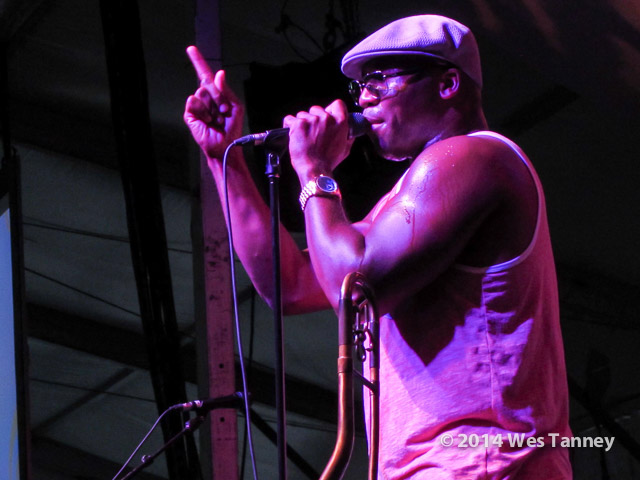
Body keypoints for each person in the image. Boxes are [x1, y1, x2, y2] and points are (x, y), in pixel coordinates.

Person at [184, 14, 572, 480]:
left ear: (448, 84)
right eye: (360, 87)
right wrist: (223, 159)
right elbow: (290, 284)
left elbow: (353, 284)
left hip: (481, 464)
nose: (364, 98)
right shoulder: (412, 191)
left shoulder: (474, 157)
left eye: (380, 81)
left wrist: (313, 171)